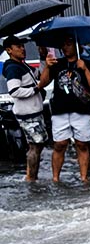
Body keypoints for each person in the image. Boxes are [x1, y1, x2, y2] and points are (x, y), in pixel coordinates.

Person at [41, 35, 90, 183]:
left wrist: (85, 69)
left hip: (82, 110)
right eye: (64, 45)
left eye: (69, 44)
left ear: (76, 46)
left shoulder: (88, 64)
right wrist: (47, 66)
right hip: (60, 110)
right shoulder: (57, 64)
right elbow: (42, 83)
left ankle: (84, 177)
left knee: (82, 144)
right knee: (60, 144)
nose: (66, 47)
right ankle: (55, 178)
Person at [2, 35, 51, 181]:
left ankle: (31, 175)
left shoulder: (22, 65)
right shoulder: (13, 68)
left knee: (37, 144)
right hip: (27, 114)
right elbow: (14, 91)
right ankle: (31, 177)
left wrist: (43, 58)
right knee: (35, 145)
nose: (22, 49)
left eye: (22, 46)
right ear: (9, 50)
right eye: (18, 47)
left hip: (34, 111)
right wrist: (36, 89)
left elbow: (39, 75)